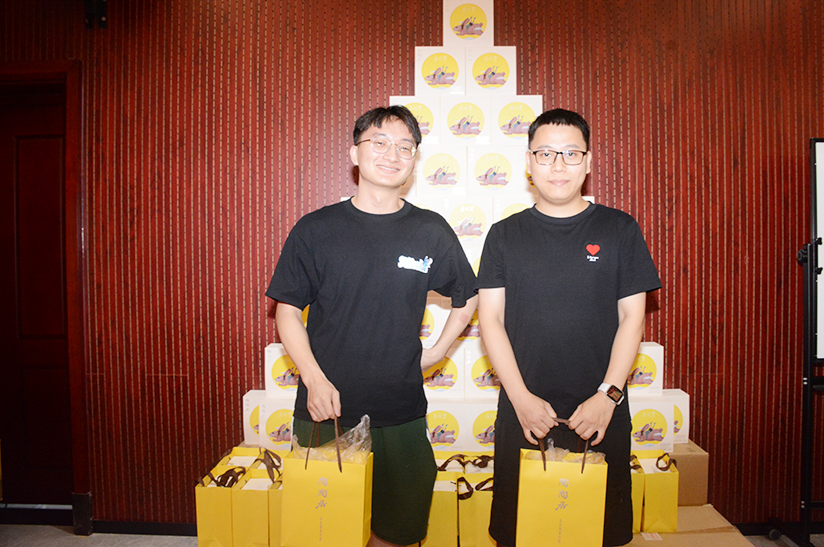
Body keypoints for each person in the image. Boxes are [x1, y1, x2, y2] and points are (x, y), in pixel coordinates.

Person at [266, 105, 478, 547]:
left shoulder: (429, 230)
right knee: (327, 534)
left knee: (398, 532)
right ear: (355, 153)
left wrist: (438, 351)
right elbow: (287, 311)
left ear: (414, 159)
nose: (391, 154)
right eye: (378, 142)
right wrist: (314, 379)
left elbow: (468, 295)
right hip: (326, 410)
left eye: (404, 146)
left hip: (400, 409)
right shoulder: (316, 229)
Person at [476, 109, 662, 547]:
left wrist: (608, 396)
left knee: (598, 531)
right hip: (524, 410)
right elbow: (491, 319)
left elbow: (632, 318)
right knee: (522, 531)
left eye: (570, 153)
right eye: (545, 153)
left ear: (588, 161)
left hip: (601, 410)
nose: (558, 165)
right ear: (528, 162)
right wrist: (520, 399)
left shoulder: (619, 229)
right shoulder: (504, 235)